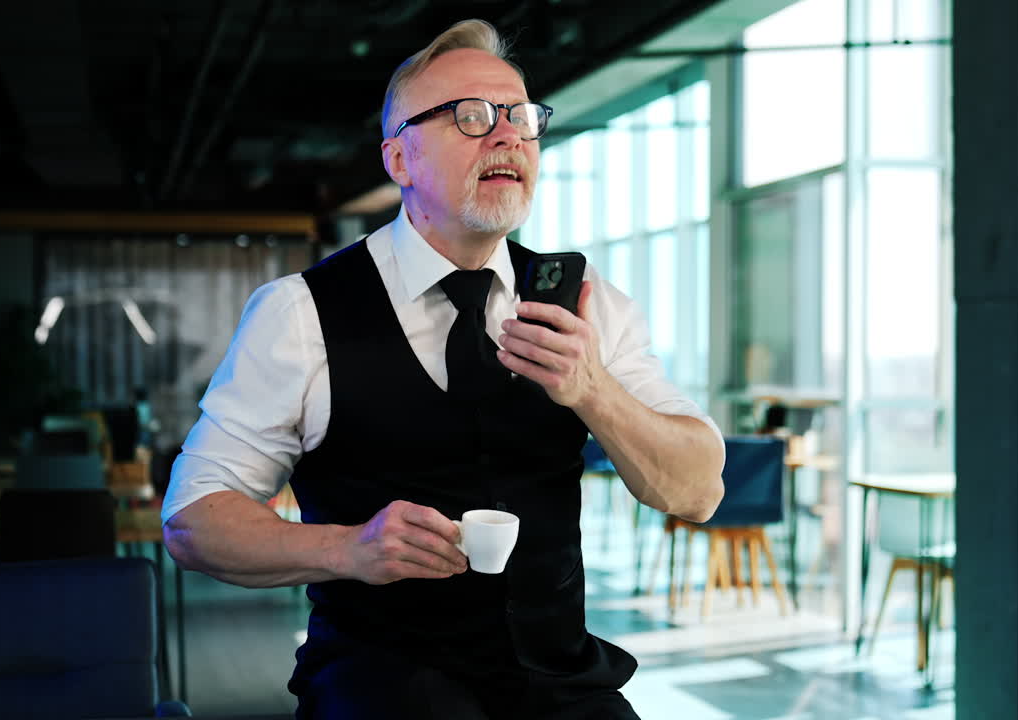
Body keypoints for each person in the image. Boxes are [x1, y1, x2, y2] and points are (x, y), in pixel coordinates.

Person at [163, 18, 725, 719]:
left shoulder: (588, 306)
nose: (508, 136)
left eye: (521, 117)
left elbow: (699, 490)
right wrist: (348, 549)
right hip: (381, 685)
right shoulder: (300, 314)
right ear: (399, 158)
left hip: (560, 684)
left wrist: (593, 391)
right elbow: (192, 520)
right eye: (472, 116)